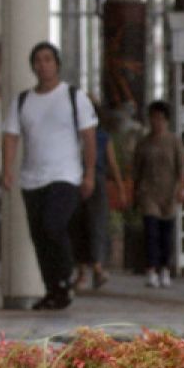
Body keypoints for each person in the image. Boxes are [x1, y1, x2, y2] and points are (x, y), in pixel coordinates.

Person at [2, 42, 97, 310]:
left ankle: (66, 277)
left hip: (65, 175)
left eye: (48, 59)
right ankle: (53, 289)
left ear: (56, 64)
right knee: (39, 236)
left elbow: (88, 137)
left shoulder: (73, 96)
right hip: (32, 178)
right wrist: (7, 169)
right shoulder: (23, 101)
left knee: (53, 225)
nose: (43, 65)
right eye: (38, 60)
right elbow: (10, 136)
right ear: (33, 66)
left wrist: (89, 173)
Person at [132, 100, 184, 288]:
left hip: (168, 193)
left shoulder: (174, 142)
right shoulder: (144, 142)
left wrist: (181, 189)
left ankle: (165, 269)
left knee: (166, 233)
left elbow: (182, 168)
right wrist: (134, 193)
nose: (157, 122)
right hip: (148, 192)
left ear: (166, 121)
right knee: (151, 231)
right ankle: (151, 269)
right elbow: (136, 169)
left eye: (160, 119)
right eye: (153, 118)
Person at [69, 99, 124, 291]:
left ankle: (97, 268)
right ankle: (84, 272)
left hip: (96, 181)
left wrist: (120, 187)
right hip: (76, 180)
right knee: (78, 225)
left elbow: (112, 163)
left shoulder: (101, 137)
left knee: (96, 223)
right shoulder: (74, 136)